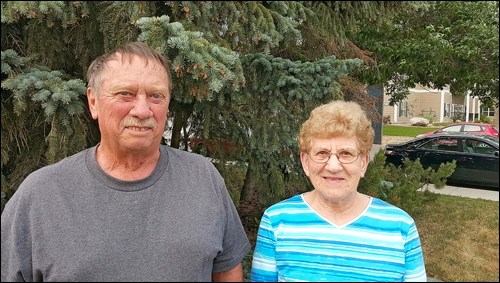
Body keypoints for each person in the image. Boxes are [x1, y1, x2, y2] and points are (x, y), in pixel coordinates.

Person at [1, 42, 251, 282]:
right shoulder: (41, 194)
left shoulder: (203, 178)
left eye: (156, 96)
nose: (142, 111)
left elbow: (227, 270)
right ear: (93, 101)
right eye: (125, 94)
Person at [250, 100, 427, 282]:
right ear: (305, 162)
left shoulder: (401, 227)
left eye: (346, 154)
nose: (333, 166)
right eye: (322, 153)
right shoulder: (276, 221)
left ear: (363, 163)